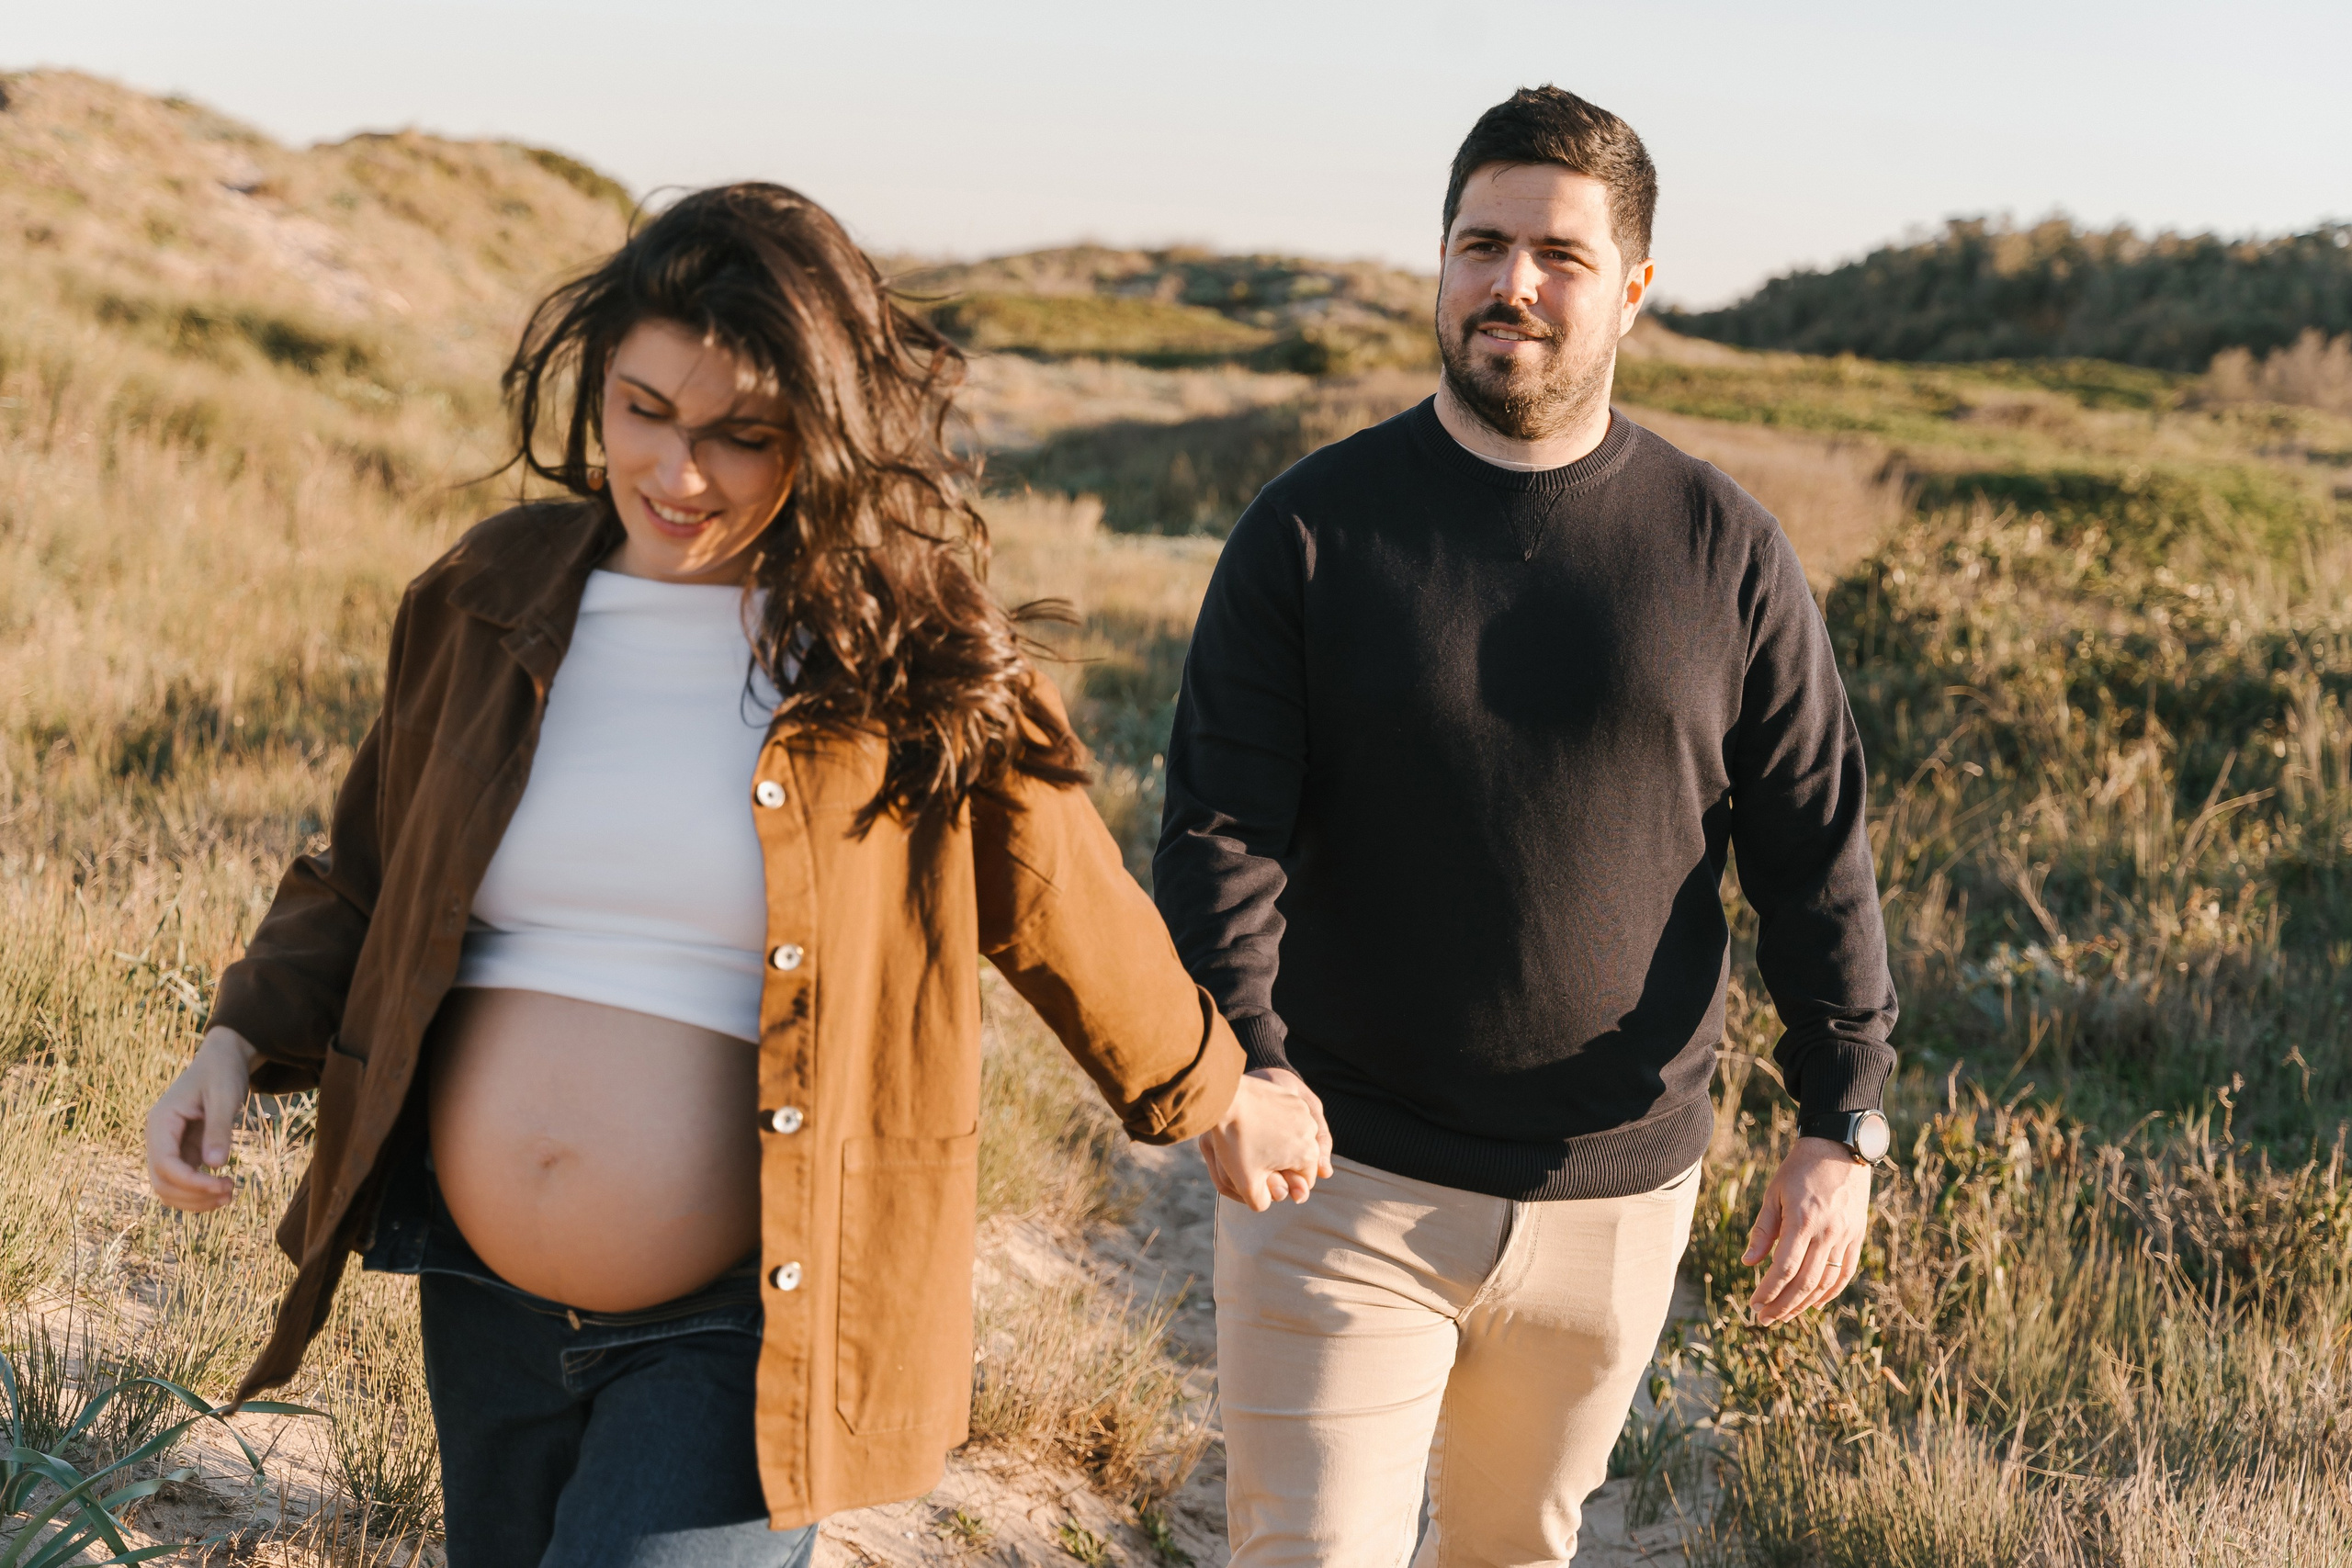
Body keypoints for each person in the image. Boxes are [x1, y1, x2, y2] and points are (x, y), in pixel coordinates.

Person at [144, 184, 1325, 1568]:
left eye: (739, 436)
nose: (677, 472)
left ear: (819, 434)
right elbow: (370, 866)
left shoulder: (899, 653)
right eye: (643, 410)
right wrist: (233, 1040)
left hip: (747, 1322)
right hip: (484, 1302)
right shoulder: (487, 595)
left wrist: (1211, 1090)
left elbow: (1066, 896)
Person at [1155, 86, 1899, 1565]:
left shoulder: (1726, 553)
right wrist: (1242, 1061)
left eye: (1557, 255)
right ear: (1439, 264)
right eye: (1480, 245)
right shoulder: (1312, 531)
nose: (1511, 284)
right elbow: (1218, 831)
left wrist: (1843, 1121)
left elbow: (1813, 852)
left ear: (1630, 288)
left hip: (1615, 1209)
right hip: (1342, 1179)